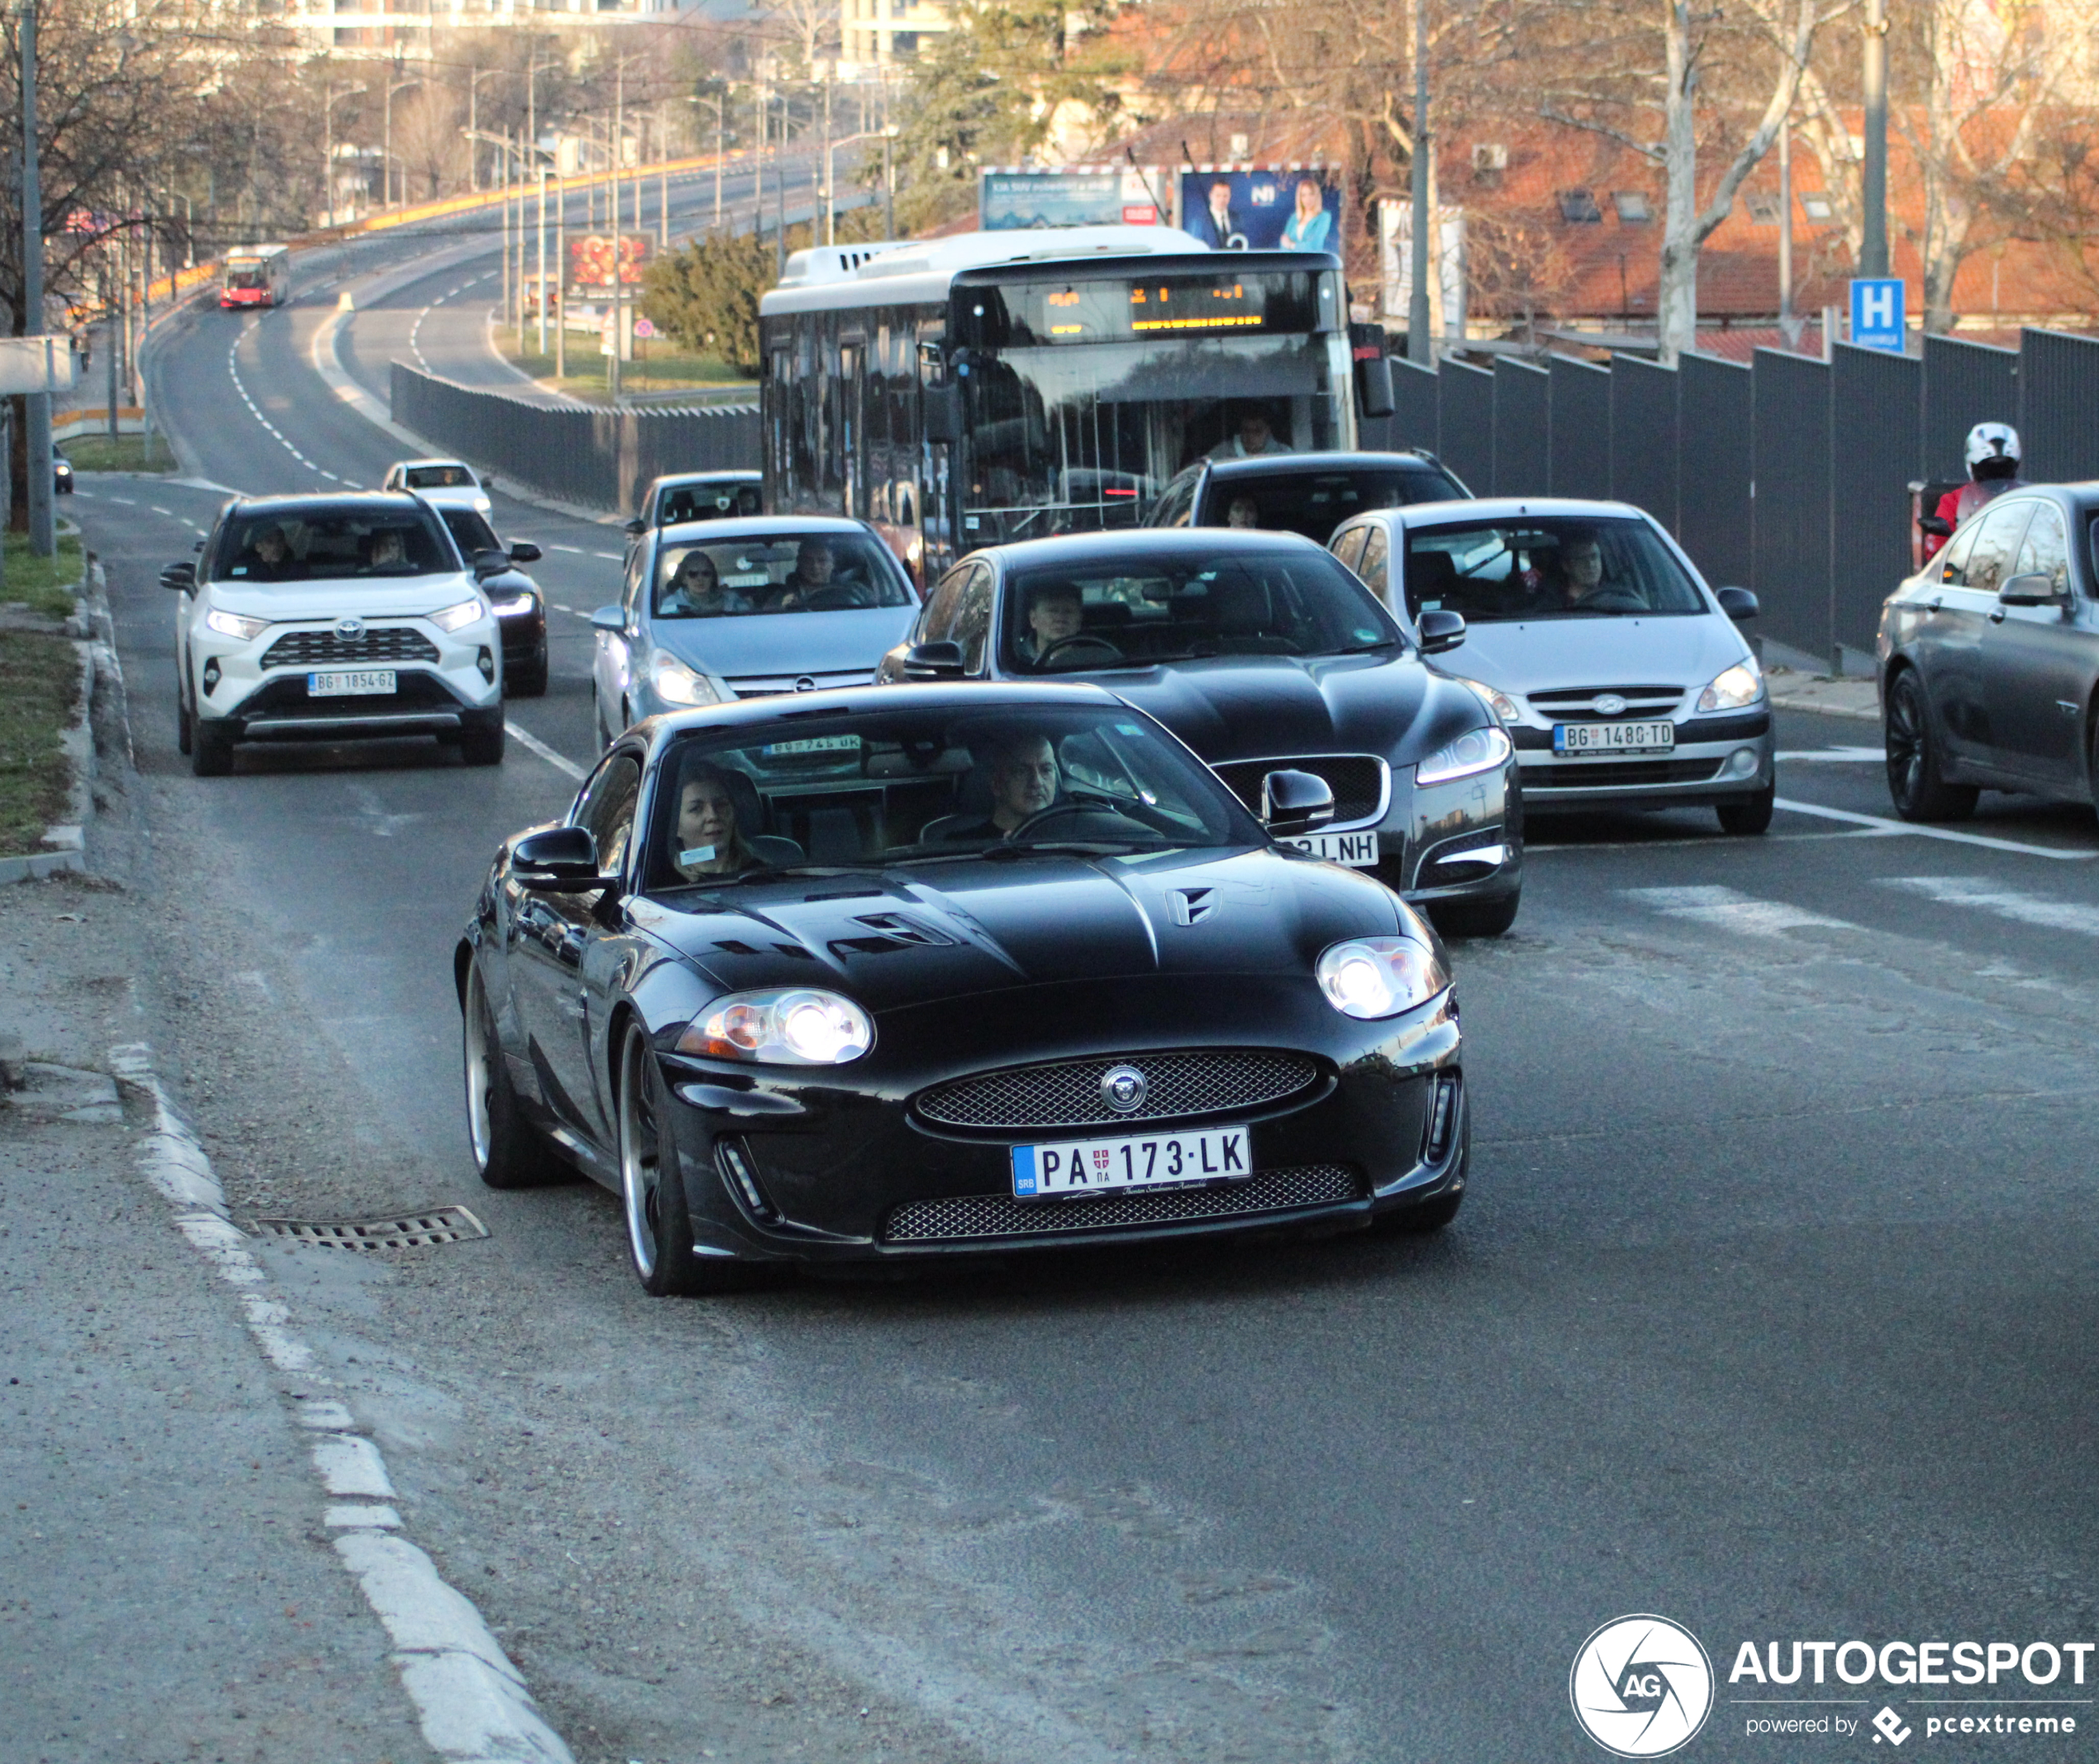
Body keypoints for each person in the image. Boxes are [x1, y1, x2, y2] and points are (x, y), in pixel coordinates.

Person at [928, 734, 1060, 840]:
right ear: (997, 784)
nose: (1037, 782)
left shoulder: (1071, 838)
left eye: (1046, 770)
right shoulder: (962, 844)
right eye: (1021, 771)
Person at [1925, 422, 2024, 561]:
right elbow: (1936, 557)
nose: (1996, 476)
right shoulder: (1954, 501)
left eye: (2003, 468)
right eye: (1989, 468)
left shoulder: (2029, 498)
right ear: (1973, 466)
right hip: (1969, 576)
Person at [668, 766, 764, 881]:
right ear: (675, 825)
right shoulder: (664, 883)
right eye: (696, 808)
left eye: (721, 805)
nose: (713, 816)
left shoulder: (762, 876)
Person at [658, 549, 746, 616]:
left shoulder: (731, 601)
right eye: (693, 574)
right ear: (684, 579)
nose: (700, 579)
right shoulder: (672, 604)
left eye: (706, 573)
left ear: (712, 577)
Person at [1016, 582, 1083, 664]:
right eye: (1052, 611)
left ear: (1079, 622)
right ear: (1033, 619)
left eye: (1068, 611)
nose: (1060, 618)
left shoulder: (1091, 659)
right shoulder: (1015, 661)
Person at [769, 538, 839, 609]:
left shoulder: (844, 593)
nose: (815, 566)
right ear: (799, 562)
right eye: (808, 561)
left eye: (822, 560)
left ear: (833, 564)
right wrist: (782, 607)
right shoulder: (783, 594)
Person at [1208, 409, 1293, 461]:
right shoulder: (1222, 453)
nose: (1251, 436)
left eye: (1257, 431)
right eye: (1246, 430)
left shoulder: (1284, 454)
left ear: (1268, 430)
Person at [1280, 178, 1333, 252]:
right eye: (1303, 195)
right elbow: (1284, 244)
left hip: (1312, 262)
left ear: (1316, 196)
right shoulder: (1294, 218)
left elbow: (1315, 245)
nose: (1308, 199)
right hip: (1292, 262)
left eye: (1311, 194)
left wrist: (1292, 245)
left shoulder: (1324, 217)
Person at [1195, 180, 1245, 250]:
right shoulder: (1200, 221)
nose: (1222, 200)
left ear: (1229, 197)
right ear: (1211, 196)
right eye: (1218, 196)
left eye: (1225, 196)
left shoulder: (1236, 218)